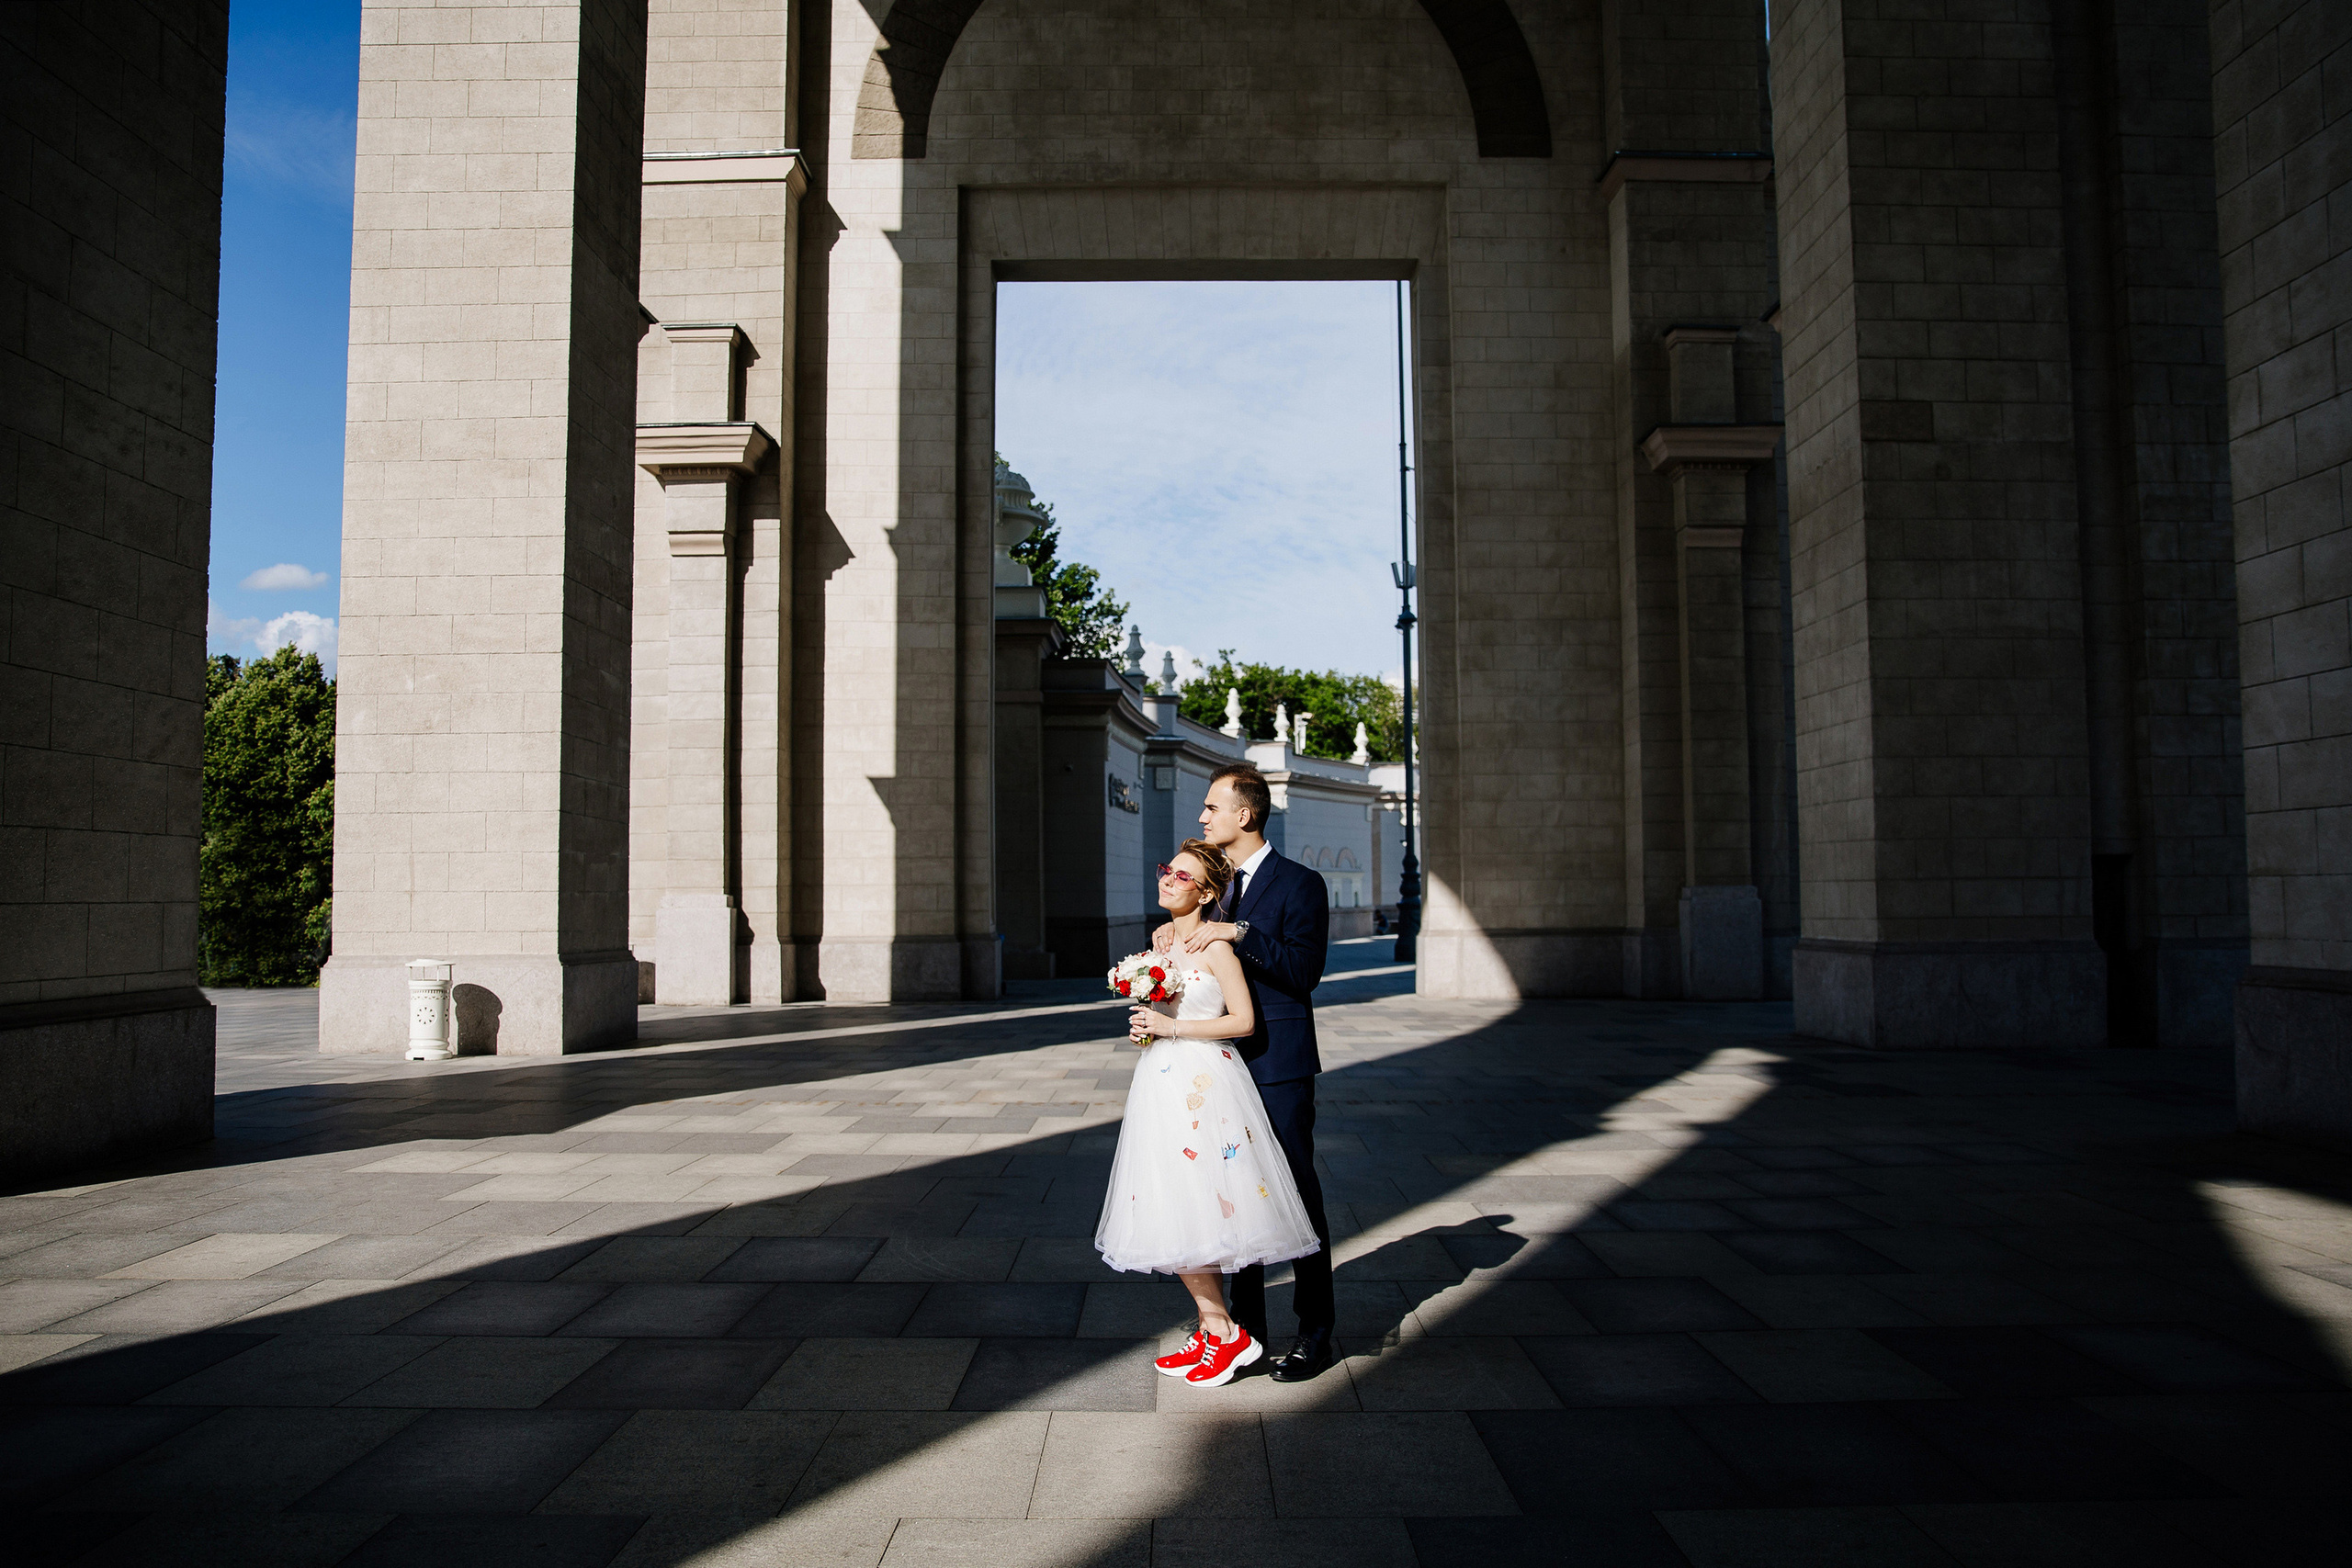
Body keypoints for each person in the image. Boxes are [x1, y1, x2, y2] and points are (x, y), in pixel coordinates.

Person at [1095, 840, 1322, 1387]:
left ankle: (1225, 1332)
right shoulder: (1160, 946)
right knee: (1170, 1200)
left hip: (1205, 1083)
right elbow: (1164, 1009)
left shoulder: (1217, 946)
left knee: (1200, 1199)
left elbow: (1243, 1021)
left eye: (1182, 875)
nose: (1168, 879)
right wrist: (1145, 1023)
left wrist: (1171, 1027)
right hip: (1160, 1083)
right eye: (1166, 870)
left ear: (1207, 891)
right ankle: (1212, 1327)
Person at [1154, 762, 1337, 1382]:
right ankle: (1246, 1333)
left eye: (1212, 807)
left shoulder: (1300, 883)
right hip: (1216, 1069)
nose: (1203, 816)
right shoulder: (1212, 882)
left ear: (1245, 814)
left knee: (1296, 1196)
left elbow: (1304, 972)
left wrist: (1242, 932)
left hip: (1276, 1065)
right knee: (1232, 1202)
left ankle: (1315, 1330)